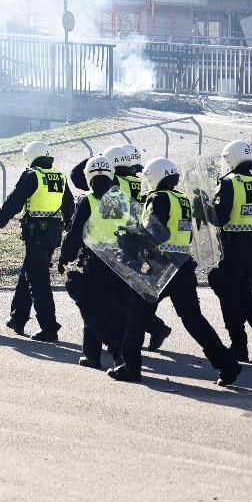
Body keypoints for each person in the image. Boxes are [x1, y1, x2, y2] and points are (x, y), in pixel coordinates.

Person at [111, 158, 241, 386]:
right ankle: (227, 365)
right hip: (183, 266)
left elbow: (156, 232)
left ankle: (131, 368)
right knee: (193, 319)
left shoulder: (158, 198)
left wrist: (132, 237)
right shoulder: (181, 199)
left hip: (160, 267)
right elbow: (186, 235)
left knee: (137, 316)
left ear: (155, 176)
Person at [72, 147, 173, 352]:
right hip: (136, 241)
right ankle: (148, 330)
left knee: (103, 299)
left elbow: (77, 178)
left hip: (110, 245)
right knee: (122, 297)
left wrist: (94, 162)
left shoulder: (114, 184)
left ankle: (108, 346)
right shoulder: (139, 180)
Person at [0, 141, 73, 341]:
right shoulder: (60, 177)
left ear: (30, 156)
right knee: (29, 273)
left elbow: (13, 202)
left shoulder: (32, 175)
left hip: (36, 235)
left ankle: (49, 327)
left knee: (38, 280)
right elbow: (69, 207)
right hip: (53, 234)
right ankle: (18, 318)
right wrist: (70, 229)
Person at [207, 140, 252, 361]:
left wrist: (205, 207)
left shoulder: (229, 182)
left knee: (227, 292)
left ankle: (239, 345)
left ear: (232, 159)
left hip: (235, 247)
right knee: (245, 292)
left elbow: (220, 218)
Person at [58, 156, 131, 368]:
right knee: (115, 309)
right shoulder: (121, 198)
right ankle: (100, 355)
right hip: (118, 260)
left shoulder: (87, 200)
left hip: (95, 261)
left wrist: (65, 256)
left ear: (88, 176)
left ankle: (103, 351)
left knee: (90, 306)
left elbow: (75, 232)